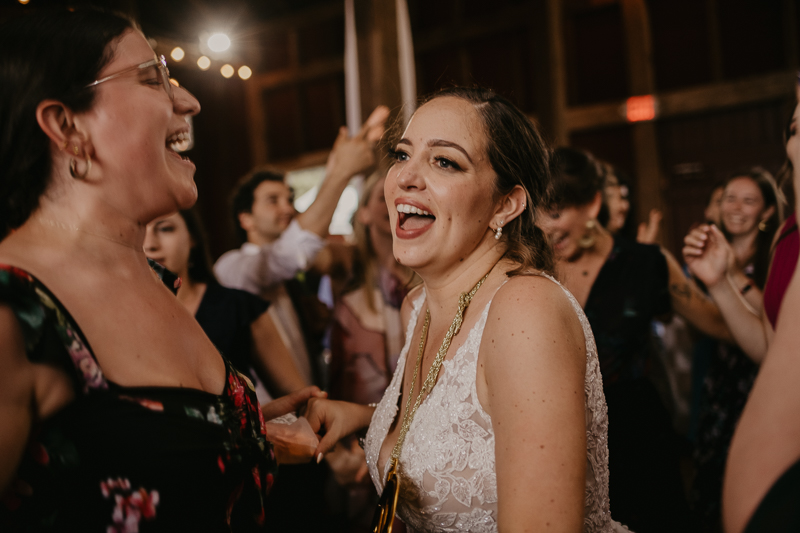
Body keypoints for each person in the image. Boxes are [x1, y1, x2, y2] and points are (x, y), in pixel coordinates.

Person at [0, 9, 318, 530]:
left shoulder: (155, 280)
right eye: (152, 78)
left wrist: (243, 432)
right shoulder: (18, 309)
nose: (189, 101)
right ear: (66, 125)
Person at [305, 87, 630, 532]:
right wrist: (361, 416)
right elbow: (463, 421)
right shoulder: (417, 307)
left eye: (445, 162)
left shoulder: (524, 311)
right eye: (402, 155)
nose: (405, 178)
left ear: (505, 204)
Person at [536, 146, 737, 532]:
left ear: (593, 204)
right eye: (538, 212)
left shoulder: (648, 264)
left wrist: (728, 278)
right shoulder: (532, 268)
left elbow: (723, 327)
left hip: (636, 438)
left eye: (557, 211)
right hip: (555, 437)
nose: (545, 225)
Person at [144, 210, 307, 402]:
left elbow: (298, 396)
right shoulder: (119, 317)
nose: (150, 245)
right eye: (138, 232)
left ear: (193, 237)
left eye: (165, 229)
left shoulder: (238, 306)